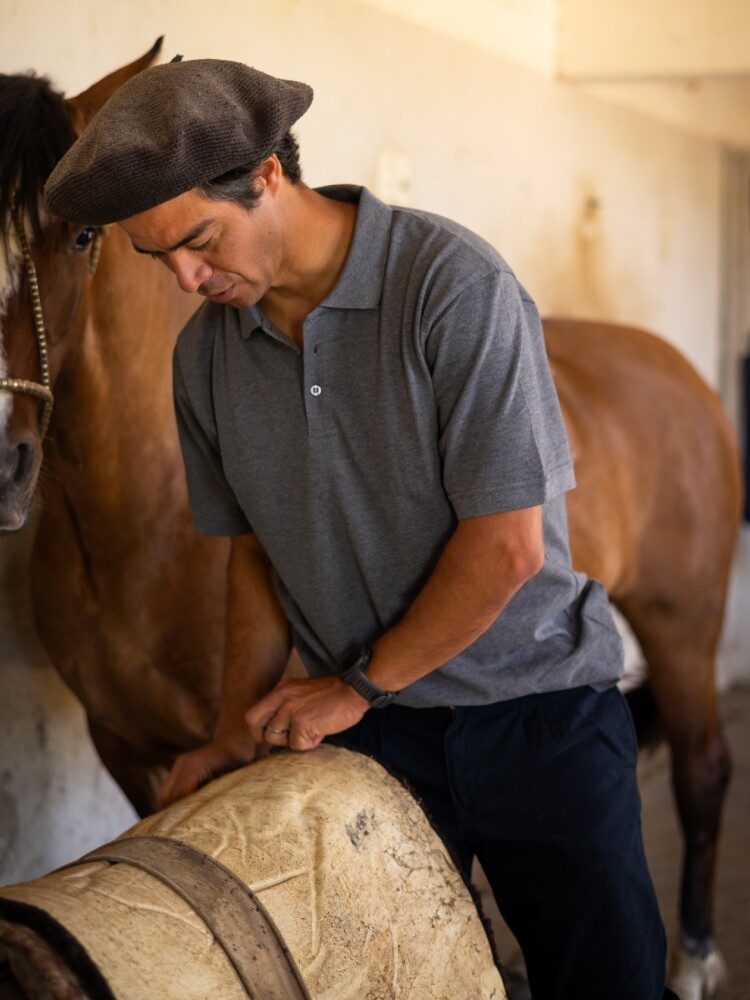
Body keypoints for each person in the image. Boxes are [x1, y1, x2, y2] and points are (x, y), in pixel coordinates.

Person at [45, 58, 677, 1000]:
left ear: (266, 175)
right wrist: (228, 727)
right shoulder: (206, 360)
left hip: (536, 717)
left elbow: (508, 544)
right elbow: (252, 550)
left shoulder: (452, 287)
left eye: (200, 240)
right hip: (379, 744)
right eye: (156, 258)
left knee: (606, 984)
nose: (186, 277)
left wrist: (353, 686)